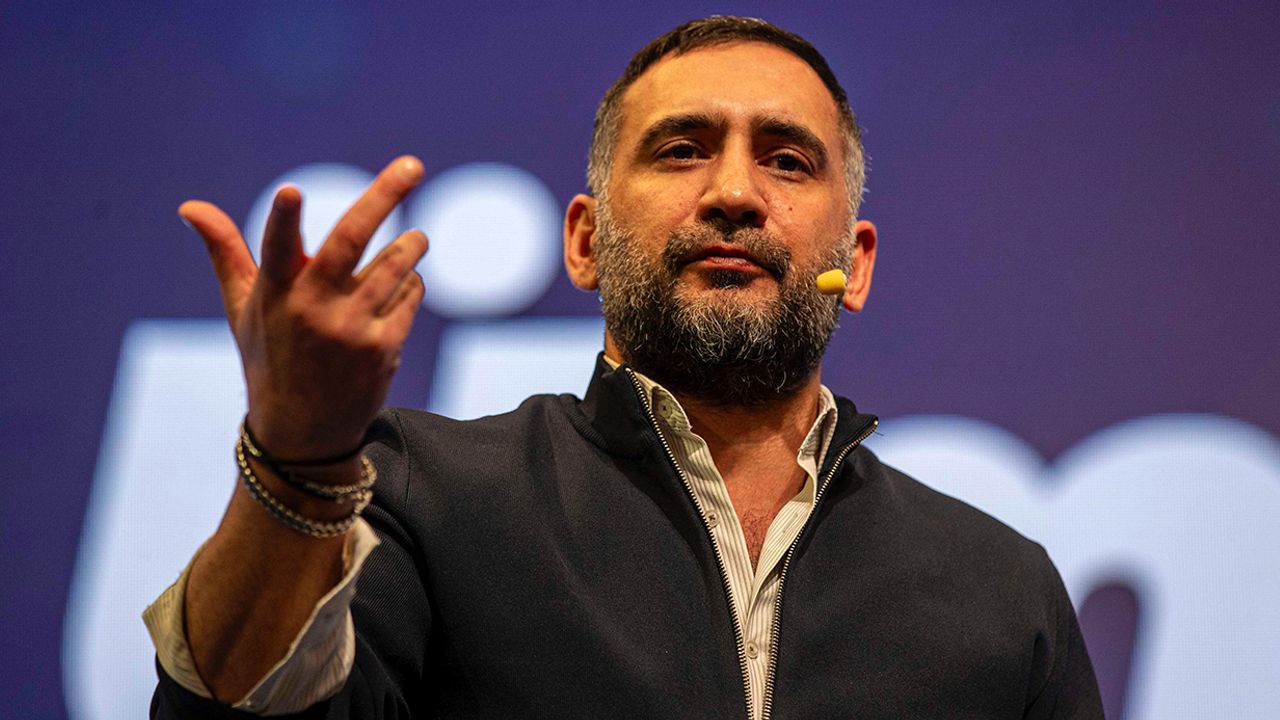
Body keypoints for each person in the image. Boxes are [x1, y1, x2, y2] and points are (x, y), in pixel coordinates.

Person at [146, 16, 1103, 719]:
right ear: (586, 241)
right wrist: (298, 460)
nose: (734, 193)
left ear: (854, 265)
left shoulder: (1000, 590)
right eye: (682, 150)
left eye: (787, 160)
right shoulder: (422, 492)